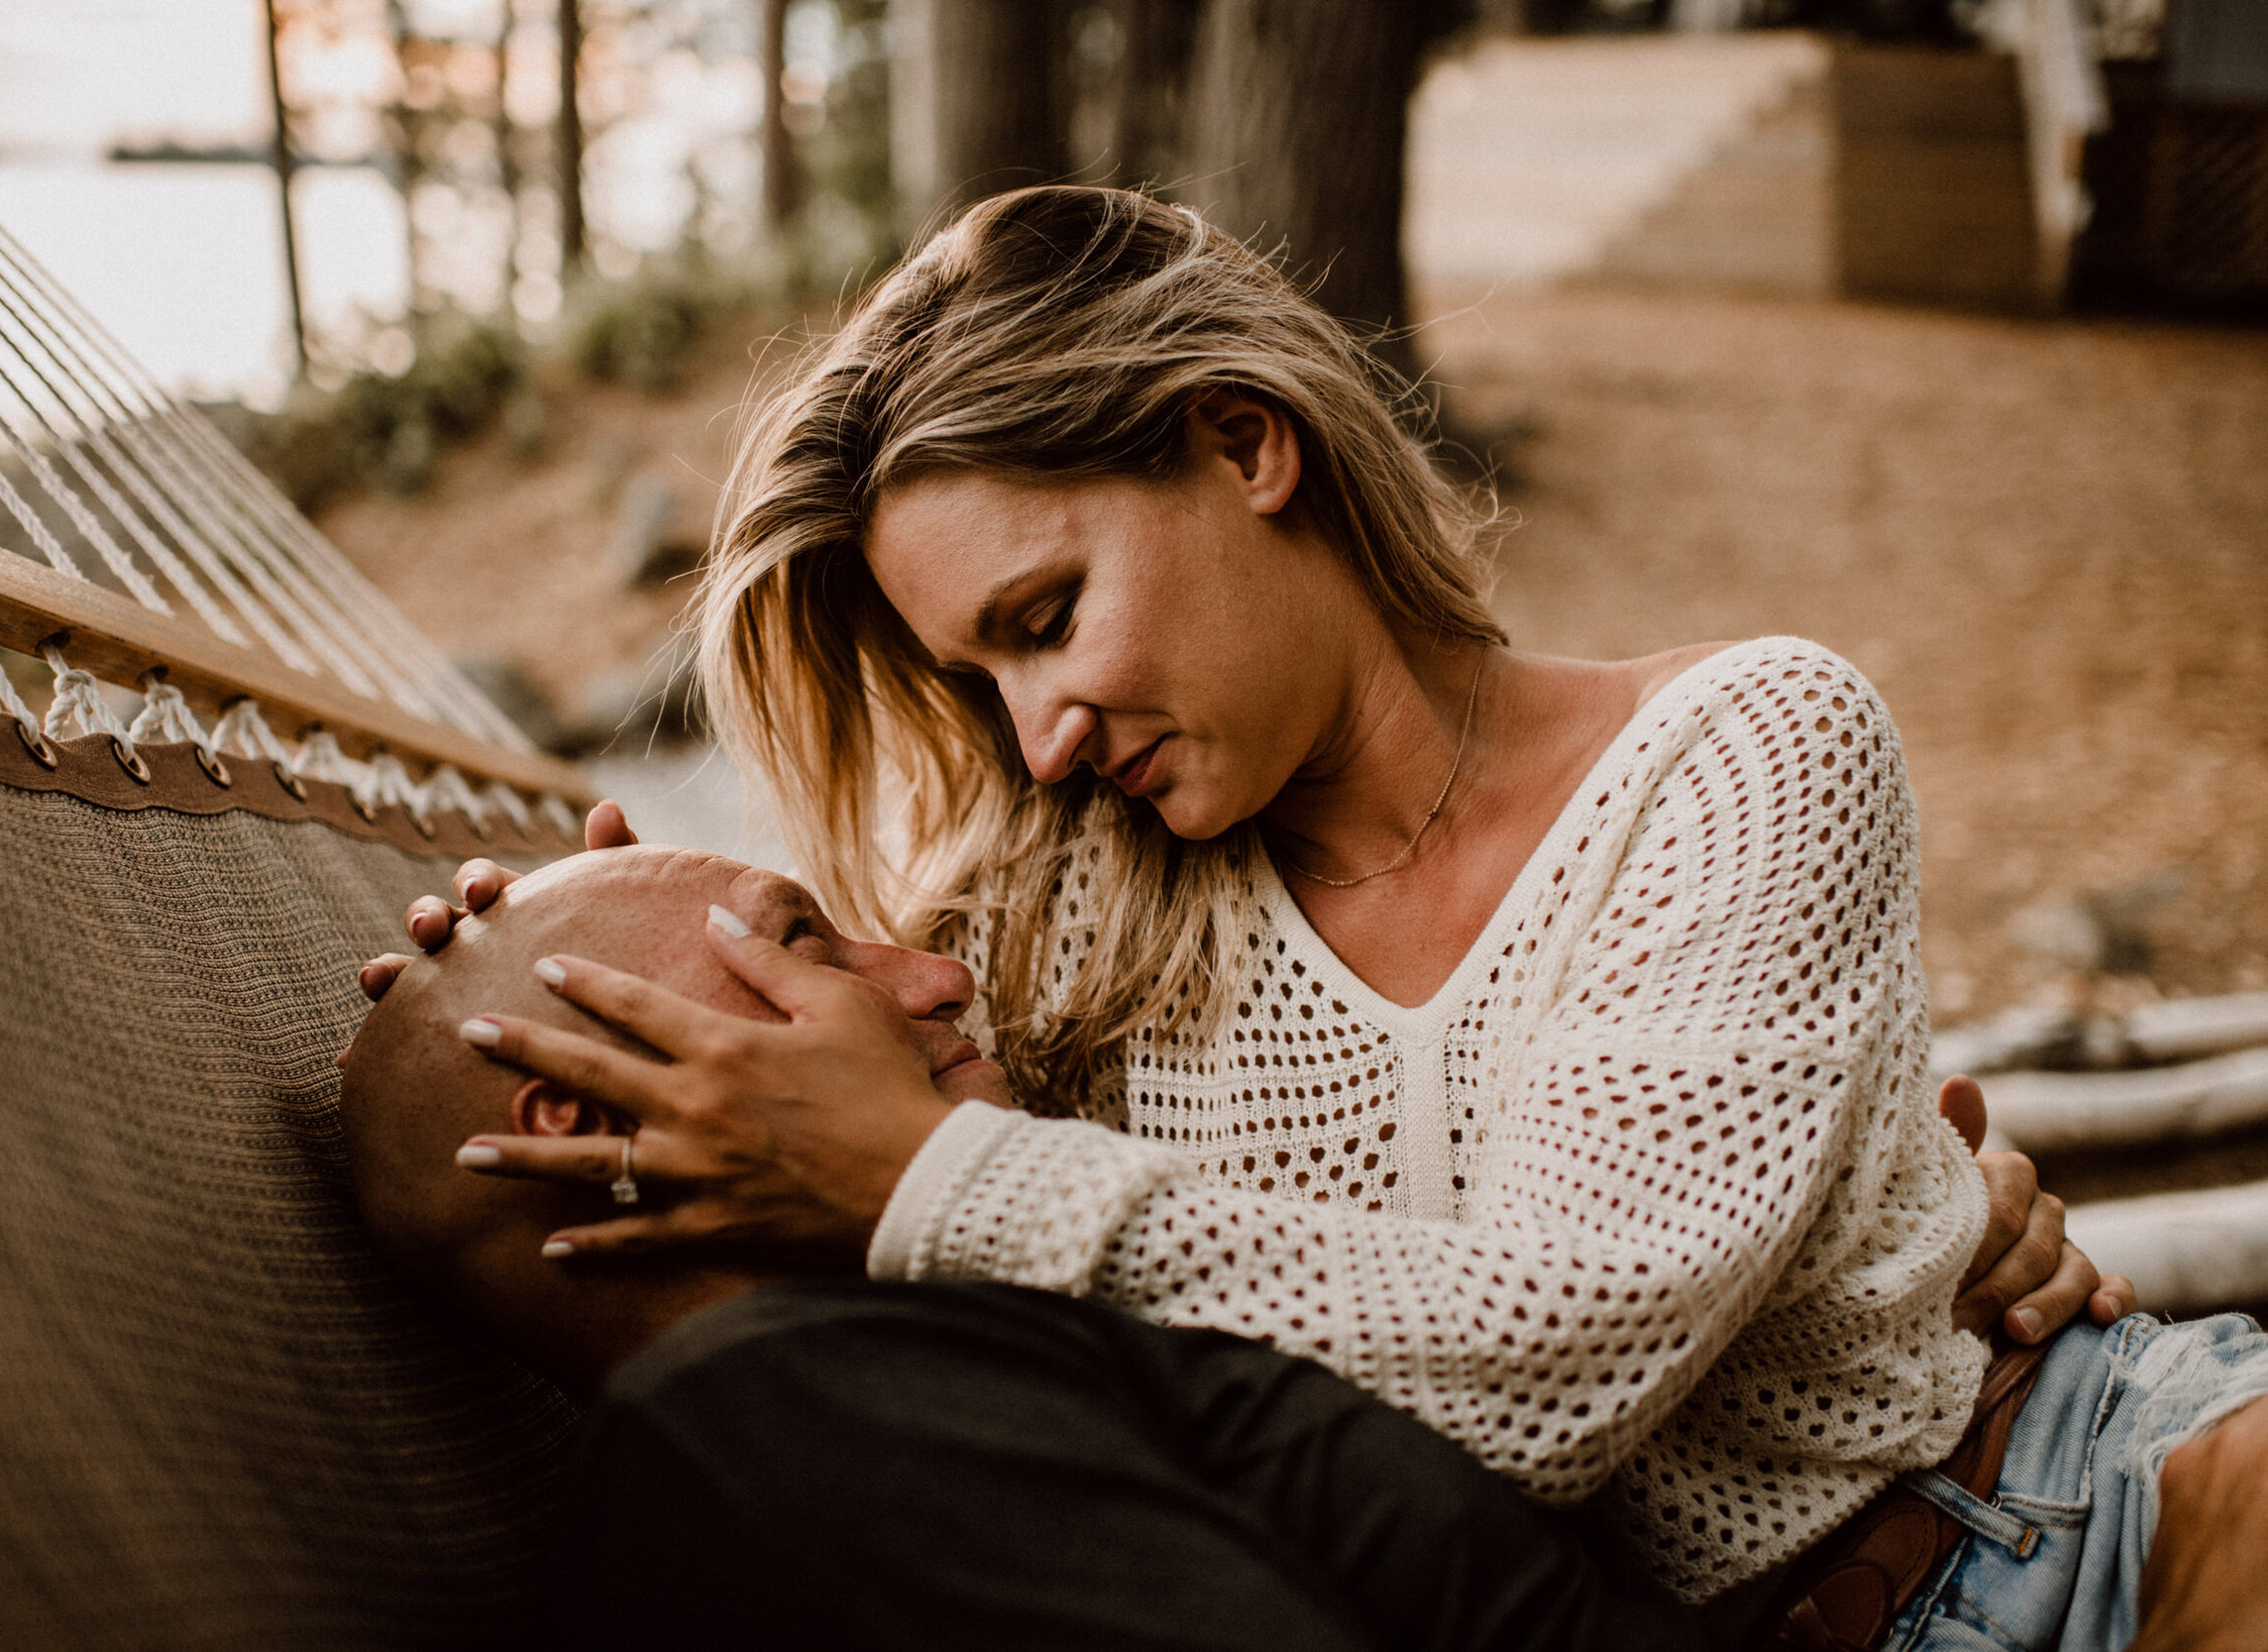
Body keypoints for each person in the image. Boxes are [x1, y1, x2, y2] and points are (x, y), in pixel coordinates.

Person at [370, 187, 2257, 1649]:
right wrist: (584, 976)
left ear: (1244, 444)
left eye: (1045, 618)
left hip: (2122, 1511)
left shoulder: (1745, 752)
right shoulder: (1051, 916)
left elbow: (1555, 1364)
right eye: (980, 682)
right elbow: (923, 1305)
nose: (1037, 738)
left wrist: (925, 1166)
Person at [340, 843, 1718, 1651]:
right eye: (803, 942)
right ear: (589, 1119)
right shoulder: (767, 1428)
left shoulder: (891, 1369)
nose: (932, 976)